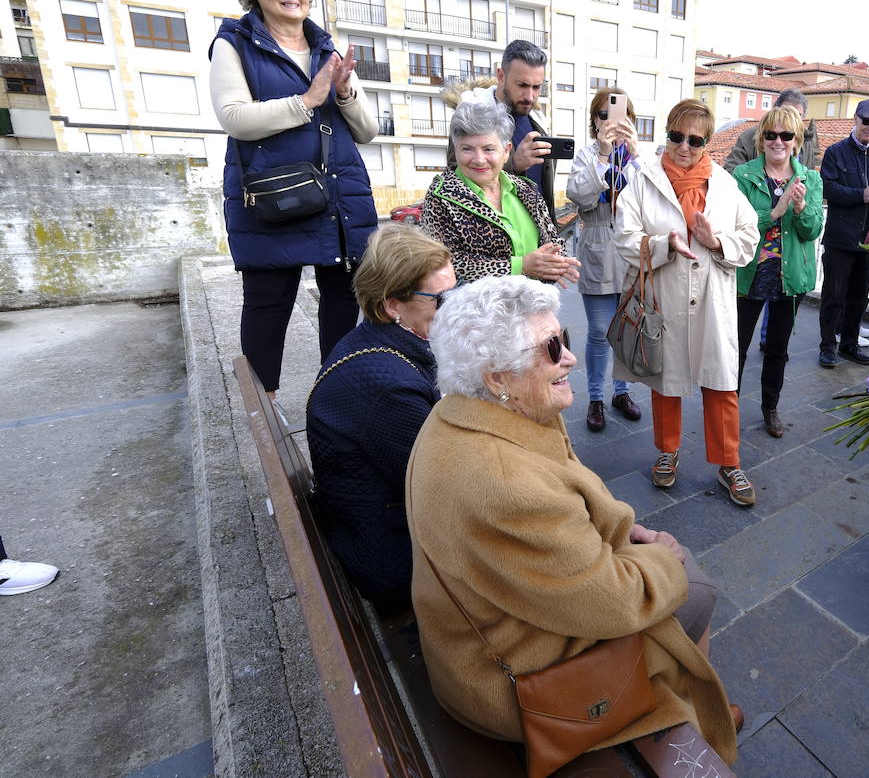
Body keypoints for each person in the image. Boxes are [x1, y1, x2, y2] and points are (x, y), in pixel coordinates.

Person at [407, 275, 739, 762]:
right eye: (551, 348)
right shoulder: (505, 483)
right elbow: (618, 601)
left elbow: (573, 501)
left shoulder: (467, 410)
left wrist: (628, 535)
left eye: (563, 337)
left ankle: (681, 697)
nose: (571, 357)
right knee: (694, 583)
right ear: (497, 377)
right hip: (516, 685)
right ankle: (690, 712)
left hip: (482, 637)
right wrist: (664, 559)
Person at [210, 0, 378, 402]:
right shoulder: (234, 43)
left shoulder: (326, 47)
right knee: (268, 305)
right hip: (273, 194)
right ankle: (264, 410)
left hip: (339, 196)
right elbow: (234, 118)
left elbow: (367, 130)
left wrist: (343, 92)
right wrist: (306, 101)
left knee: (343, 302)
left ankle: (335, 399)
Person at [614, 100, 760, 507]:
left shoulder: (726, 185)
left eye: (695, 140)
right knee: (666, 380)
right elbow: (624, 238)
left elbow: (750, 236)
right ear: (667, 134)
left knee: (721, 382)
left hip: (713, 298)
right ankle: (667, 450)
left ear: (707, 142)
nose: (684, 146)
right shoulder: (643, 182)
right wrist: (665, 245)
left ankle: (729, 462)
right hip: (666, 294)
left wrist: (716, 241)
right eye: (676, 136)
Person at [305, 224, 452, 610]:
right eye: (441, 299)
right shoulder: (387, 389)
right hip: (395, 559)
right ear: (393, 305)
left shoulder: (377, 342)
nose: (454, 309)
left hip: (381, 525)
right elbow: (442, 487)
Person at [733, 105, 823, 438]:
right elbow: (736, 224)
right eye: (771, 134)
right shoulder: (743, 176)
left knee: (778, 348)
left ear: (797, 141)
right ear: (762, 139)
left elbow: (812, 230)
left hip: (790, 276)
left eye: (786, 135)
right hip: (750, 272)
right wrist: (776, 210)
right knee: (738, 347)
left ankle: (770, 408)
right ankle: (728, 409)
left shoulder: (810, 179)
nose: (778, 141)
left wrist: (800, 208)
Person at [420, 100, 579, 287]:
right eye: (467, 149)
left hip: (533, 305)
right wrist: (521, 266)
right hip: (476, 312)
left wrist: (557, 262)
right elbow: (442, 264)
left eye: (488, 149)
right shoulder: (441, 196)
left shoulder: (525, 189)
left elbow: (552, 240)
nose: (479, 160)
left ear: (506, 151)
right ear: (456, 150)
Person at [565, 87, 644, 432]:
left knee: (626, 328)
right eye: (603, 115)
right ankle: (596, 396)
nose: (610, 121)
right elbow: (578, 194)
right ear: (594, 122)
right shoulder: (586, 155)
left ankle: (621, 391)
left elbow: (652, 197)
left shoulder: (637, 158)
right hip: (597, 245)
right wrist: (602, 154)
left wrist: (636, 154)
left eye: (618, 114)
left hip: (629, 254)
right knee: (599, 331)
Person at [818, 98, 869, 368]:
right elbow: (827, 188)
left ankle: (849, 344)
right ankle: (827, 346)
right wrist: (862, 195)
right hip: (840, 237)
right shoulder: (835, 152)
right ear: (855, 119)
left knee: (859, 297)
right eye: (867, 121)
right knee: (833, 296)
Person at [449, 40, 560, 218]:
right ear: (501, 76)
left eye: (536, 87)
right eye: (522, 85)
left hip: (538, 232)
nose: (530, 96)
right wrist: (513, 164)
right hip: (494, 233)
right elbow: (454, 178)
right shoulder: (471, 113)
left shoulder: (538, 120)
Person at [723, 88, 819, 172]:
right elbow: (730, 172)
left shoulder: (808, 140)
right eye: (786, 112)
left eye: (798, 115)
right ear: (775, 111)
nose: (791, 118)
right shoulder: (749, 136)